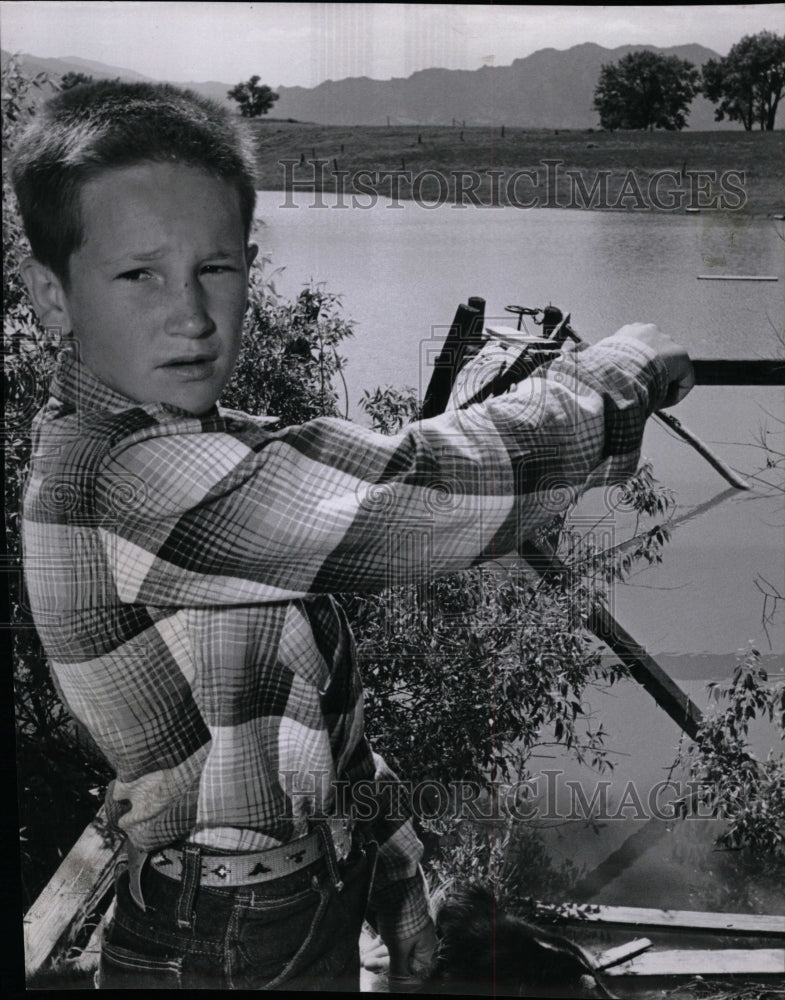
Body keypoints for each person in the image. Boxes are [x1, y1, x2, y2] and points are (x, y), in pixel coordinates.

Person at [12, 80, 694, 992]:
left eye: (216, 267)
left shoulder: (194, 451)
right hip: (217, 945)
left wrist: (395, 870)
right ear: (50, 297)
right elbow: (417, 491)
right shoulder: (132, 478)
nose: (192, 314)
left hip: (278, 908)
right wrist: (615, 376)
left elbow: (294, 712)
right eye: (140, 274)